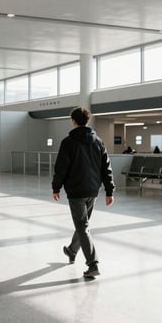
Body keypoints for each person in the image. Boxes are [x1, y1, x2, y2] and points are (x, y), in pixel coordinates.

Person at [52, 107, 115, 278]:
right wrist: (109, 190)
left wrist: (56, 187)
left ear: (73, 120)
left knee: (82, 226)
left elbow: (61, 168)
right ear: (87, 121)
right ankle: (72, 251)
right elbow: (106, 168)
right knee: (83, 226)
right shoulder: (98, 141)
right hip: (93, 190)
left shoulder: (68, 142)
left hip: (76, 191)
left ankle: (93, 264)